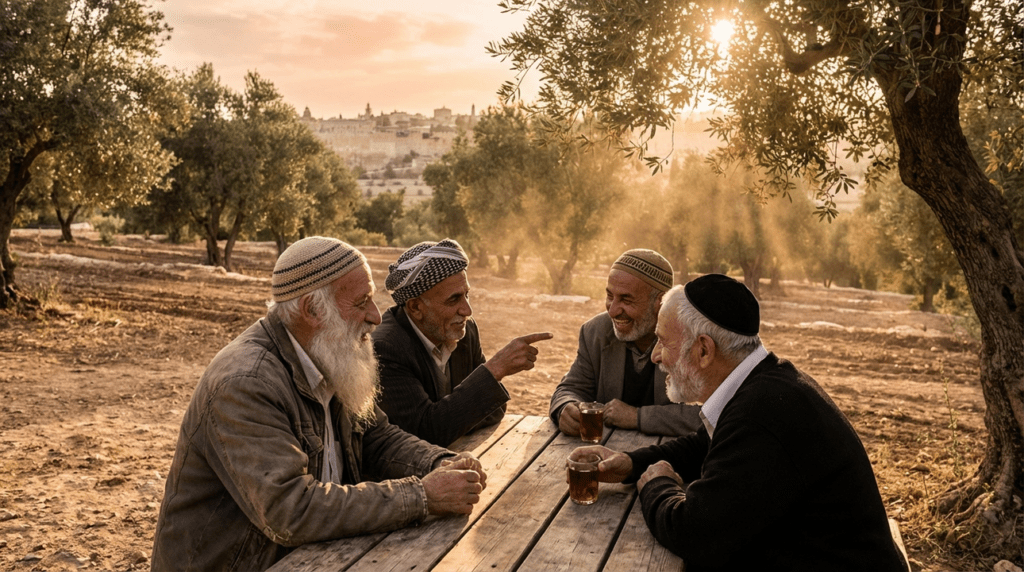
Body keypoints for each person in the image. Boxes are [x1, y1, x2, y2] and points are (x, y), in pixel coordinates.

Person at [152, 237, 487, 572]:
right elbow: (290, 509)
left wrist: (440, 462)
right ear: (311, 309)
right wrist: (422, 496)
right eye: (361, 303)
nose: (375, 316)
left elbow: (378, 436)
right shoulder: (245, 382)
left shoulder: (327, 352)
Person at [569, 274, 907, 572]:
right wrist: (631, 464)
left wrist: (656, 485)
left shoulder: (760, 416)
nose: (656, 355)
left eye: (663, 341)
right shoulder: (765, 382)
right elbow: (704, 444)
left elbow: (695, 535)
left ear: (703, 350)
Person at [373, 238, 553, 446]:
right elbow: (424, 433)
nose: (467, 310)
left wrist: (449, 417)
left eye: (467, 295)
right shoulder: (386, 349)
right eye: (454, 299)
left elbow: (493, 411)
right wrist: (495, 369)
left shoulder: (464, 331)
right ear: (415, 307)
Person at [550, 249, 701, 437]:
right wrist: (564, 407)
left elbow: (707, 415)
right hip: (605, 455)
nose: (612, 311)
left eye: (626, 299)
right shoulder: (595, 332)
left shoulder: (690, 339)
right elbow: (571, 388)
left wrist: (637, 417)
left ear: (660, 302)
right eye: (610, 296)